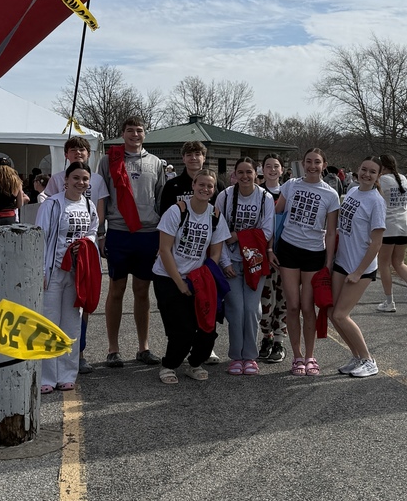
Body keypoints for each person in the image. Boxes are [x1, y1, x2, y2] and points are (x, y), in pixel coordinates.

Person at [97, 117, 166, 367]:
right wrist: (100, 233)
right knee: (116, 290)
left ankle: (143, 347)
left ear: (145, 134)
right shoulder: (109, 160)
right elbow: (101, 198)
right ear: (122, 133)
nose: (134, 135)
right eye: (129, 131)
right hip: (118, 232)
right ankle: (113, 349)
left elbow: (161, 200)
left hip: (147, 234)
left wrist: (162, 238)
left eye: (139, 131)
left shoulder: (156, 163)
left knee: (142, 291)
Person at [152, 170, 231, 384]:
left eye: (210, 186)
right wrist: (179, 282)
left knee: (208, 329)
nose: (205, 189)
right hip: (168, 277)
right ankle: (169, 365)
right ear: (194, 186)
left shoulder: (214, 215)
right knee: (183, 329)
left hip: (197, 278)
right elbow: (164, 250)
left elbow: (215, 252)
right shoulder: (177, 211)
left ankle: (195, 363)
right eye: (201, 185)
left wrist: (202, 277)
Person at [35, 162, 100, 393]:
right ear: (66, 180)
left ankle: (66, 373)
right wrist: (41, 271)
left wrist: (84, 246)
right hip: (53, 272)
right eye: (76, 178)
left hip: (77, 273)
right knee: (49, 322)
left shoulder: (89, 206)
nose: (80, 183)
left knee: (71, 324)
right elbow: (40, 237)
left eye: (84, 178)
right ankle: (46, 376)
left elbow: (92, 232)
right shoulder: (52, 204)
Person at [275, 148, 340, 376]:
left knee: (307, 306)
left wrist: (329, 262)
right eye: (309, 161)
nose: (312, 166)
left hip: (314, 252)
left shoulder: (331, 194)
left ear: (324, 165)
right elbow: (276, 213)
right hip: (288, 249)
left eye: (317, 162)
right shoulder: (291, 185)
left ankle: (310, 356)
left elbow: (331, 232)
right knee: (292, 306)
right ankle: (297, 356)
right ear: (303, 163)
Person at [215, 157, 276, 376]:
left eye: (248, 172)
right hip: (230, 261)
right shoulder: (225, 196)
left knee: (251, 310)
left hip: (254, 261)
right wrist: (224, 261)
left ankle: (249, 356)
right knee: (236, 310)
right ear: (234, 174)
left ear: (256, 174)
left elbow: (268, 231)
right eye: (240, 172)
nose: (244, 176)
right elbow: (218, 232)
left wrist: (238, 236)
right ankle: (236, 356)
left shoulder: (265, 198)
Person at [330, 156, 388, 378]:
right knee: (332, 314)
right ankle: (356, 357)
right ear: (358, 169)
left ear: (378, 176)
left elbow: (376, 243)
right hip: (342, 262)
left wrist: (357, 272)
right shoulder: (353, 191)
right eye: (364, 169)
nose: (367, 174)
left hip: (360, 268)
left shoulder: (376, 201)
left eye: (372, 172)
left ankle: (368, 360)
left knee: (341, 315)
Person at [375, 154, 407, 313]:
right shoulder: (403, 179)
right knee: (399, 262)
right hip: (404, 226)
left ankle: (389, 302)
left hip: (388, 227)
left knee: (384, 264)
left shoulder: (382, 180)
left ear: (382, 167)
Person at [258, 153, 288, 363]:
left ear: (282, 169)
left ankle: (279, 340)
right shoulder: (258, 193)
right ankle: (266, 337)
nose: (272, 170)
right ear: (262, 169)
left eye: (276, 166)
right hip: (263, 256)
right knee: (265, 300)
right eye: (268, 166)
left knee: (284, 298)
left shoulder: (289, 191)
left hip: (286, 254)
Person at [159, 141, 211, 213]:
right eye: (189, 155)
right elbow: (164, 215)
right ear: (183, 159)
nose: (193, 158)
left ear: (204, 158)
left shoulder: (215, 185)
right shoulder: (171, 186)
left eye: (197, 154)